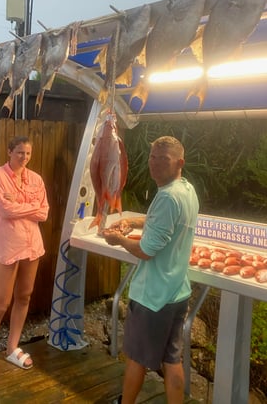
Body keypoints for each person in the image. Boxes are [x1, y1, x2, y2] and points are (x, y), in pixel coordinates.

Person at [103, 136, 199, 404]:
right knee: (172, 359)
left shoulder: (168, 196)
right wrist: (132, 221)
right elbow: (162, 223)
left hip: (154, 297)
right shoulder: (186, 189)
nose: (155, 165)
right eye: (152, 158)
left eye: (163, 160)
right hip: (177, 293)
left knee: (136, 359)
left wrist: (118, 239)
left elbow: (146, 251)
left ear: (180, 162)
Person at [0, 135, 49, 386]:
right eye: (19, 153)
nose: (24, 158)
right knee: (0, 304)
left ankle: (12, 347)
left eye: (28, 154)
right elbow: (5, 210)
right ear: (9, 152)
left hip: (32, 246)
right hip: (7, 246)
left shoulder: (36, 179)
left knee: (24, 296)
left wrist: (19, 203)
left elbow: (45, 212)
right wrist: (29, 206)